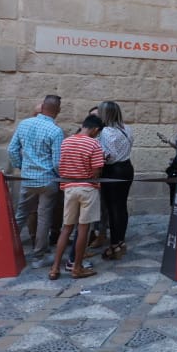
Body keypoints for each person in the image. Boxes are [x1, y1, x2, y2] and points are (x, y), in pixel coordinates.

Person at [7, 95, 64, 263]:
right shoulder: (56, 131)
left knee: (21, 214)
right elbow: (57, 162)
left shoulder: (24, 124)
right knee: (44, 217)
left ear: (43, 107)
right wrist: (60, 177)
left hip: (27, 178)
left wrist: (21, 166)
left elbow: (12, 150)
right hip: (48, 180)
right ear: (58, 111)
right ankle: (39, 254)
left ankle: (7, 248)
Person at [51, 115, 105, 280]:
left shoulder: (66, 142)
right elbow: (96, 171)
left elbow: (61, 165)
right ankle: (77, 267)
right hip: (87, 189)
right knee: (83, 229)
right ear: (95, 130)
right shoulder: (94, 143)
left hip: (69, 188)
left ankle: (55, 268)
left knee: (66, 228)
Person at [96, 101, 134, 260]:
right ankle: (121, 240)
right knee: (121, 205)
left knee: (112, 208)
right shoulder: (127, 128)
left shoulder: (106, 131)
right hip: (127, 168)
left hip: (113, 170)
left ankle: (114, 244)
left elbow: (109, 156)